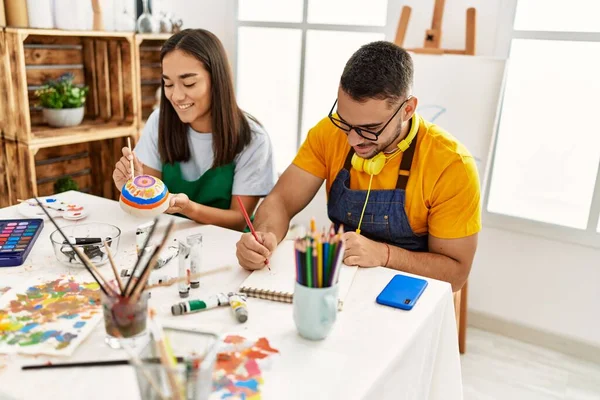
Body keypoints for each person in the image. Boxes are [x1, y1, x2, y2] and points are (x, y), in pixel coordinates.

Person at [235, 41, 480, 292]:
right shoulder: (328, 133)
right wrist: (265, 236)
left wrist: (384, 255)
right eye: (345, 122)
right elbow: (281, 201)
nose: (353, 139)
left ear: (407, 109)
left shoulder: (451, 164)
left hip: (409, 290)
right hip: (339, 282)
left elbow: (456, 274)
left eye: (370, 129)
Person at [112, 29, 276, 231]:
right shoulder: (159, 121)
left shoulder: (253, 138)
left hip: (226, 246)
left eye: (189, 83)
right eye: (168, 84)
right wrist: (132, 189)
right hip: (168, 240)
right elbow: (150, 205)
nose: (177, 96)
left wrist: (189, 208)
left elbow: (238, 220)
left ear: (217, 80)